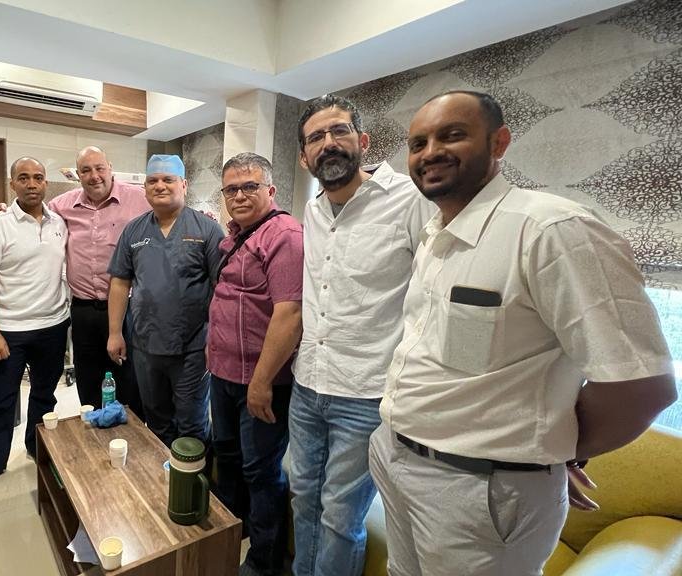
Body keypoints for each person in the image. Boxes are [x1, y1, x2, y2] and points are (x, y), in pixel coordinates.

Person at [369, 90, 677, 575]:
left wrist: (545, 455)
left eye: (452, 135)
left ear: (499, 142)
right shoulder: (435, 236)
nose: (430, 152)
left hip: (477, 488)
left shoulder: (552, 231)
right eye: (418, 143)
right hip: (397, 457)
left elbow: (640, 386)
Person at [289, 95, 435, 576]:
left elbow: (437, 295)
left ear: (363, 141)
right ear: (304, 158)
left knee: (339, 516)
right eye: (316, 137)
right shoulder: (313, 211)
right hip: (307, 386)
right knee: (303, 496)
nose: (328, 143)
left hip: (367, 394)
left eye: (339, 131)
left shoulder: (410, 201)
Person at [0, 147, 149, 419]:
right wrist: (0, 208)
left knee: (130, 381)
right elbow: (30, 209)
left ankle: (130, 436)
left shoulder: (139, 198)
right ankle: (93, 433)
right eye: (86, 170)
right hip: (83, 310)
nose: (94, 176)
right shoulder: (62, 205)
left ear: (110, 168)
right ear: (77, 175)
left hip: (127, 308)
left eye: (100, 168)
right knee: (88, 381)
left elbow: (169, 210)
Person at [207, 152, 303, 576]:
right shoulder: (234, 237)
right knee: (227, 457)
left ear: (271, 190)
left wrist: (261, 382)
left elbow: (290, 314)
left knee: (260, 471)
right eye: (231, 189)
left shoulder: (285, 235)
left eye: (250, 186)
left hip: (261, 382)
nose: (240, 195)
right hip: (223, 374)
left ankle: (264, 562)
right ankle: (229, 533)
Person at [0, 156, 70, 497]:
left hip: (53, 326)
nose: (31, 184)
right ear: (12, 184)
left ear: (45, 183)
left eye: (38, 177)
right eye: (23, 178)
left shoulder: (59, 222)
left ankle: (37, 446)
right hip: (9, 331)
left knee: (44, 395)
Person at [107, 154, 224, 447]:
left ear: (184, 185)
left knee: (191, 422)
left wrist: (215, 339)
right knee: (156, 418)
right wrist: (114, 332)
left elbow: (221, 289)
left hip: (192, 348)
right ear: (145, 188)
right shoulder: (133, 230)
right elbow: (120, 282)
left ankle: (194, 476)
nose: (160, 186)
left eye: (168, 179)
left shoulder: (207, 230)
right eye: (153, 181)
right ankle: (162, 472)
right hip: (145, 345)